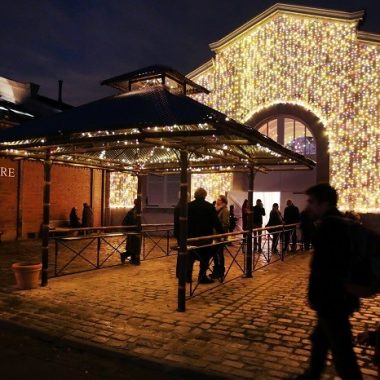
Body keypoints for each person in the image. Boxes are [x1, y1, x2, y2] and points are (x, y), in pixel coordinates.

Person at [296, 183, 363, 380]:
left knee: (342, 352)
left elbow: (323, 268)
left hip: (332, 299)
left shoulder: (330, 226)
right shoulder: (339, 222)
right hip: (338, 297)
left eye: (311, 202)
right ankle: (312, 373)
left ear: (324, 203)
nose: (308, 206)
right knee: (320, 339)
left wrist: (316, 295)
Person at [187, 188, 223, 284]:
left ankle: (187, 276)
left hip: (191, 237)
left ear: (195, 195)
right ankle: (202, 277)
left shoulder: (188, 206)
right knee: (205, 258)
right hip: (205, 237)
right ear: (204, 195)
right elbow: (216, 222)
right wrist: (222, 232)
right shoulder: (209, 207)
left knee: (190, 257)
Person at [211, 195, 229, 280]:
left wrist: (220, 232)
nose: (217, 201)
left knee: (219, 254)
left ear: (223, 201)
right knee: (215, 254)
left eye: (218, 200)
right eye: (217, 199)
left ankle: (220, 272)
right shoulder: (216, 210)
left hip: (220, 236)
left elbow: (225, 224)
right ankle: (216, 271)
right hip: (214, 235)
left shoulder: (224, 210)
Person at [121, 199, 141, 265]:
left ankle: (129, 258)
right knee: (134, 247)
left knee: (133, 247)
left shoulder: (134, 211)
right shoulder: (134, 212)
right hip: (133, 232)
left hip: (133, 232)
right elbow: (135, 222)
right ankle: (127, 256)